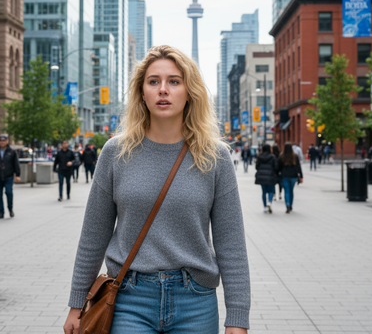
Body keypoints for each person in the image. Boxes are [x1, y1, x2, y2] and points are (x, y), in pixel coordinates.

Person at [63, 45, 250, 334]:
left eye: (174, 81)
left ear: (190, 92)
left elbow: (231, 243)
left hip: (196, 302)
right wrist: (77, 304)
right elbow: (93, 235)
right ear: (142, 92)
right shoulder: (115, 153)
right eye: (154, 81)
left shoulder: (215, 157)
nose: (163, 89)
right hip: (127, 299)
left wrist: (237, 318)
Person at [0, 134, 21, 218]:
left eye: (3, 140)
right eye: (0, 140)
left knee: (9, 192)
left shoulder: (12, 152)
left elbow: (16, 164)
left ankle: (10, 208)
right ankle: (1, 212)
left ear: (7, 141)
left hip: (8, 176)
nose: (2, 142)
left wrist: (17, 174)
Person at [278, 142, 303, 213]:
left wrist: (277, 174)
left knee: (286, 191)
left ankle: (288, 205)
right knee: (291, 191)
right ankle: (290, 205)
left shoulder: (282, 156)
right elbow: (298, 167)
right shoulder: (294, 156)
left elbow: (278, 167)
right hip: (293, 176)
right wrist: (301, 176)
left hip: (284, 176)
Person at [255, 144, 277, 214]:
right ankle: (269, 202)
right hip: (270, 176)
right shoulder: (273, 157)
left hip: (262, 176)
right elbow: (276, 167)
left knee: (264, 192)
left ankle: (264, 207)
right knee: (271, 190)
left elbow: (256, 167)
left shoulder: (259, 156)